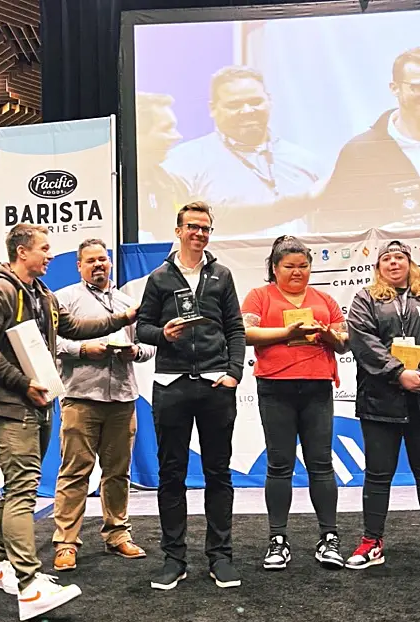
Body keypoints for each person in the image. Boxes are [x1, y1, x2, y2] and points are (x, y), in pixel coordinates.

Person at [0, 224, 137, 622]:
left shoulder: (40, 294)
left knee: (14, 490)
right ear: (21, 252)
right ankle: (29, 585)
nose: (49, 255)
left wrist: (124, 317)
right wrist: (22, 383)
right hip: (11, 404)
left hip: (36, 403)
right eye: (44, 249)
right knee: (23, 490)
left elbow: (73, 329)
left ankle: (2, 564)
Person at [136, 201, 246, 590]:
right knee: (171, 475)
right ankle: (174, 558)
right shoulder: (160, 278)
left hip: (217, 385)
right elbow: (141, 329)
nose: (199, 233)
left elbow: (235, 329)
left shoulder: (222, 276)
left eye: (206, 228)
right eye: (193, 227)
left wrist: (234, 373)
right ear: (179, 230)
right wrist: (162, 333)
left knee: (219, 473)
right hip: (171, 386)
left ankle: (220, 557)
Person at [241, 235, 348, 571]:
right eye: (289, 266)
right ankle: (277, 539)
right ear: (274, 268)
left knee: (321, 463)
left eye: (303, 266)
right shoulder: (260, 296)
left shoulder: (325, 299)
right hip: (275, 388)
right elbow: (245, 333)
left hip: (317, 387)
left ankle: (329, 538)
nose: (298, 271)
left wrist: (326, 335)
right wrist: (286, 334)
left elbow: (344, 341)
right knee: (279, 464)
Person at [52, 238, 155, 570]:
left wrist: (134, 352)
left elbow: (148, 345)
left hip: (123, 397)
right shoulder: (64, 299)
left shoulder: (128, 302)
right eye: (91, 260)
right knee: (74, 472)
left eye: (103, 259)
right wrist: (84, 350)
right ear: (79, 266)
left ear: (110, 263)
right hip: (81, 398)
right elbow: (51, 342)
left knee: (117, 473)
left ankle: (117, 534)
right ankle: (66, 543)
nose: (99, 265)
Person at [163, 66, 322, 238]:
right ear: (213, 109)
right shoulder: (184, 161)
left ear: (269, 101)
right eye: (234, 105)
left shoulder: (305, 160)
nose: (247, 111)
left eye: (255, 102)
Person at [346, 240, 420, 569]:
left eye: (399, 257)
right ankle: (371, 542)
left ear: (410, 263)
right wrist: (399, 373)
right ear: (378, 268)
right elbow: (363, 341)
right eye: (386, 259)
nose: (393, 263)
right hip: (379, 403)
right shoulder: (365, 299)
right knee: (377, 475)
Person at [309, 47, 420, 233]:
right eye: (416, 87)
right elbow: (332, 223)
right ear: (395, 88)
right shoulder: (361, 152)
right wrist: (377, 236)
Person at [136, 92, 190, 242]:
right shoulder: (109, 185)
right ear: (137, 132)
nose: (177, 136)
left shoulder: (172, 184)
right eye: (167, 129)